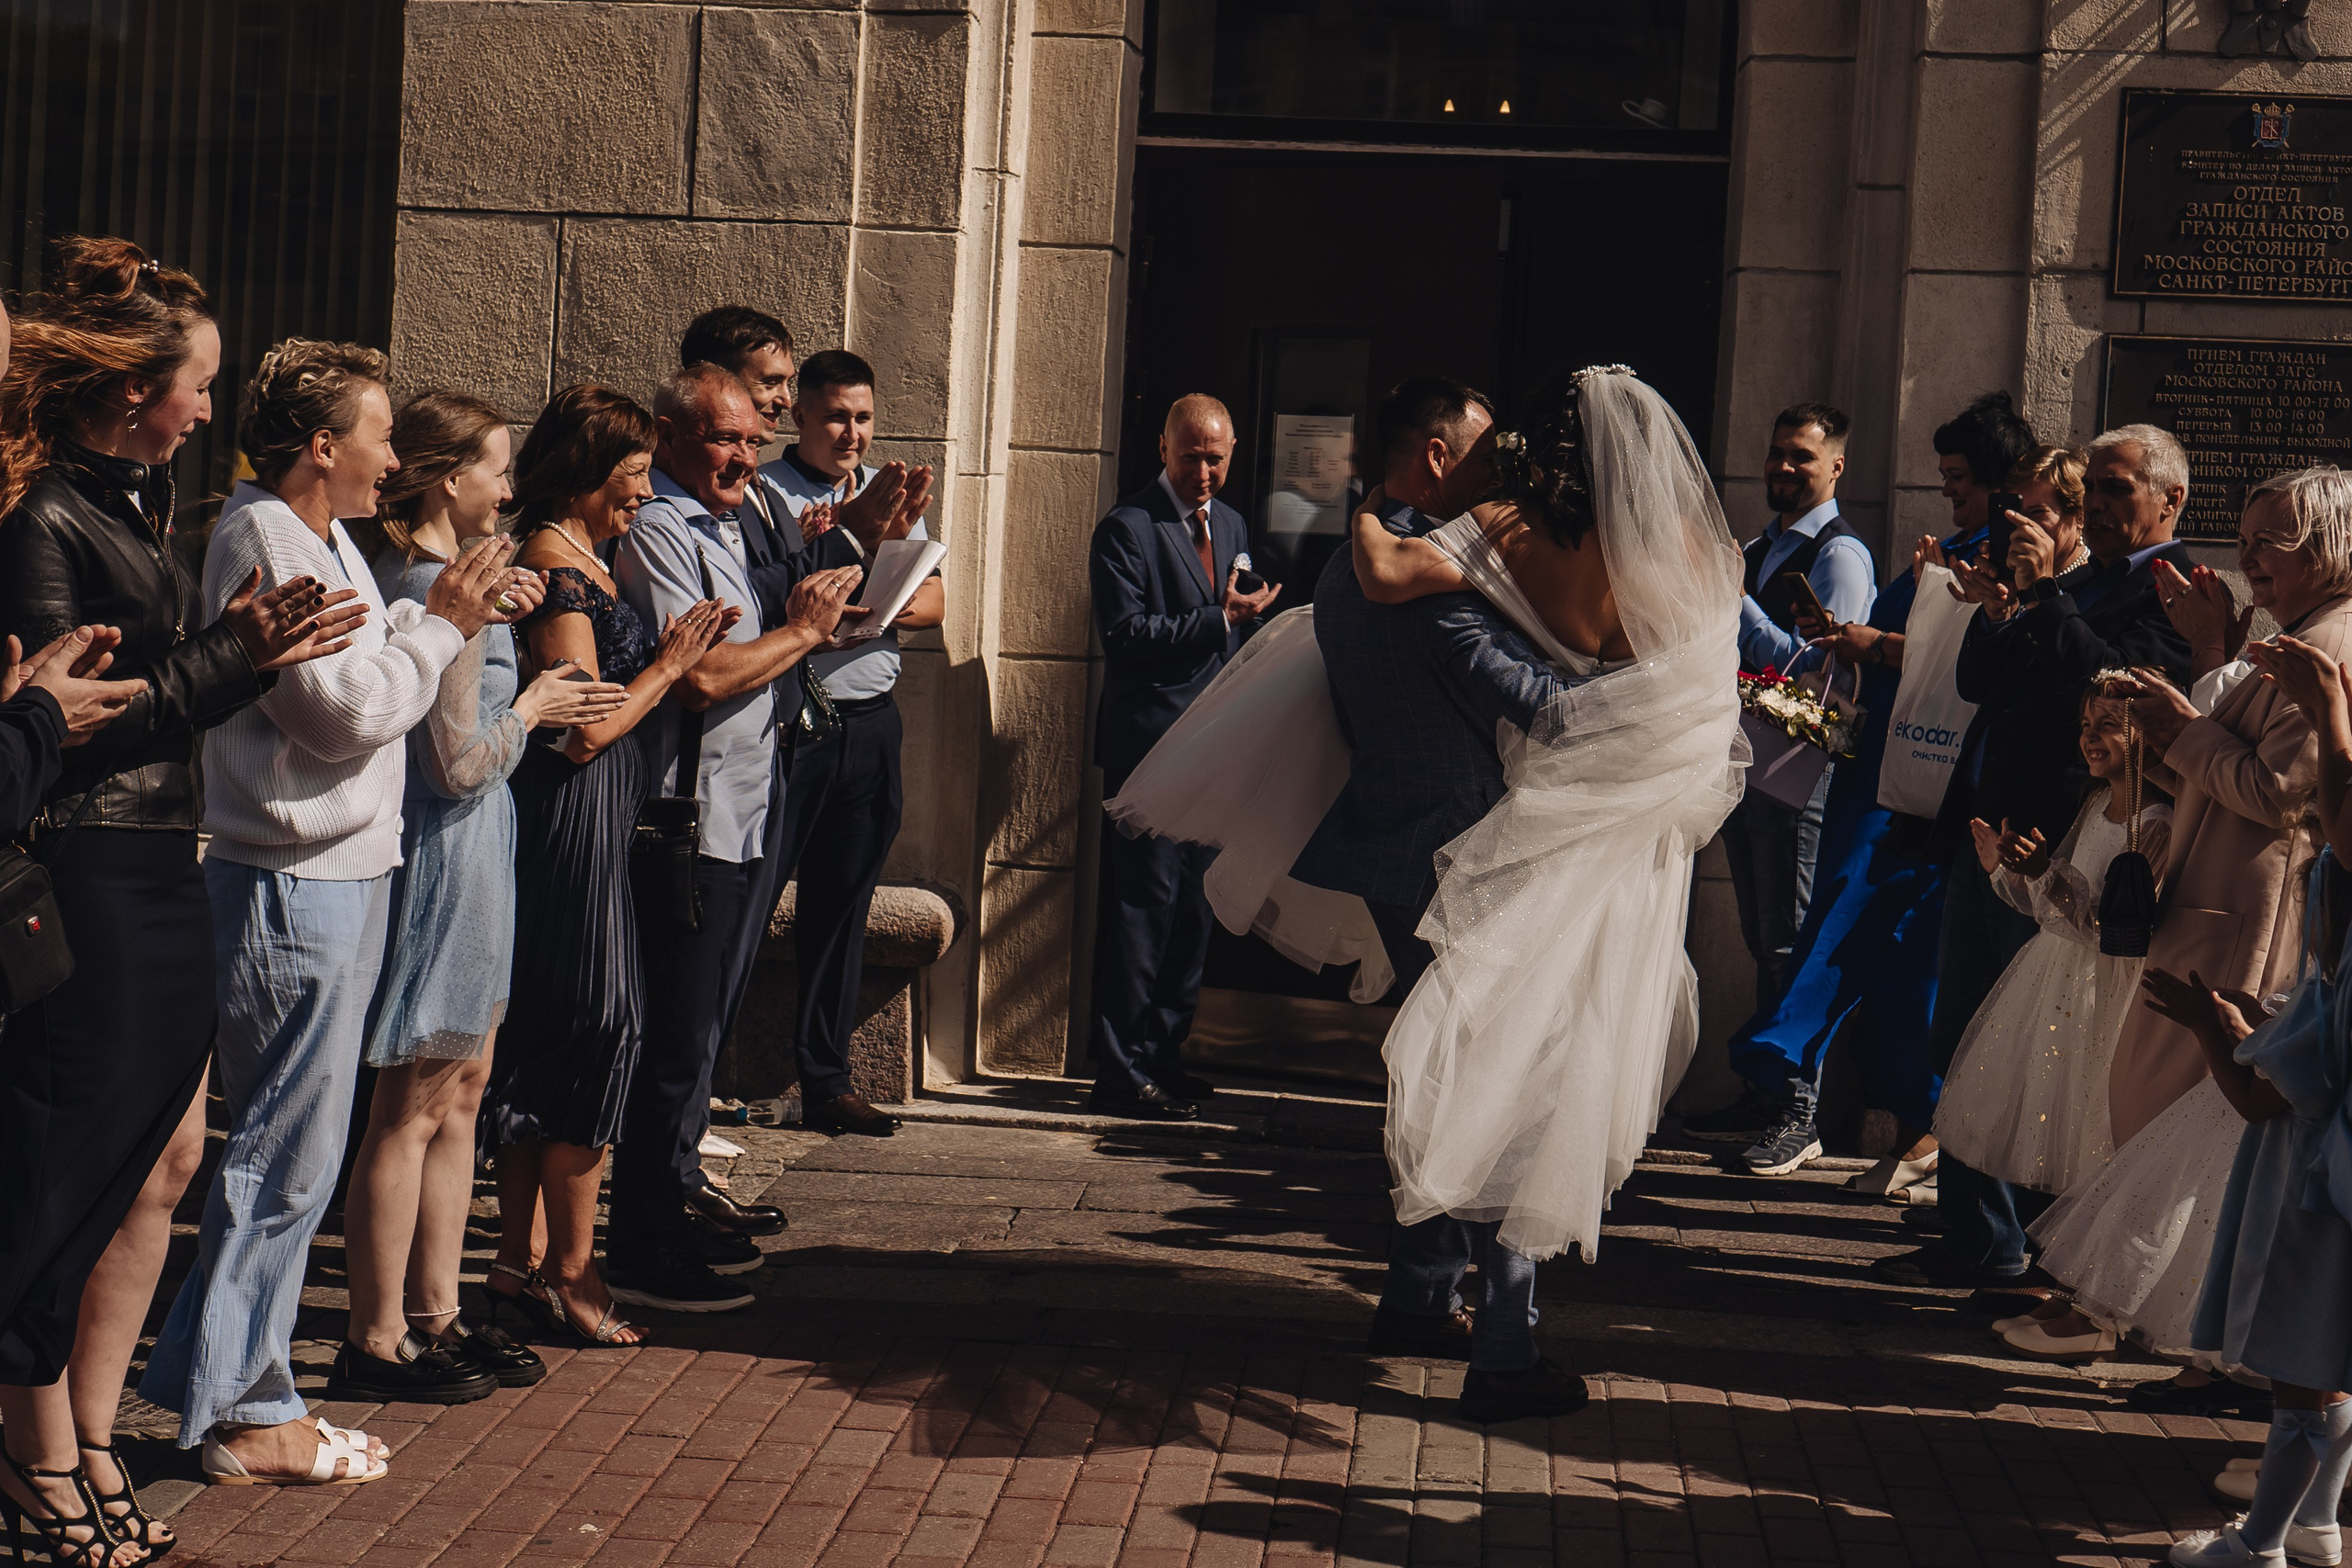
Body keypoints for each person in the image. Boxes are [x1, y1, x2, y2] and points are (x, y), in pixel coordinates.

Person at [1119, 367, 1743, 1422]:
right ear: (1440, 453)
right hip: (1486, 876)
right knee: (1517, 1100)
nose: (1508, 479)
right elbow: (1547, 714)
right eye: (1488, 453)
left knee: (1449, 1081)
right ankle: (1503, 1350)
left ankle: (1416, 1298)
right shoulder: (1444, 602)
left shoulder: (1361, 566)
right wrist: (1652, 693)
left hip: (1402, 865)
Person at [0, 246, 356, 1551]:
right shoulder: (43, 517)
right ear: (135, 386)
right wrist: (233, 657)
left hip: (160, 856)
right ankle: (40, 1458)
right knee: (65, 1172)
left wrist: (235, 657)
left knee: (162, 1162)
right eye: (197, 386)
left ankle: (84, 1436)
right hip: (90, 863)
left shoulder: (137, 501)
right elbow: (67, 720)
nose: (211, 414)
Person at [139, 339, 537, 1484]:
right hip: (289, 879)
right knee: (279, 1154)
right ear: (324, 446)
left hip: (340, 872)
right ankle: (240, 1411)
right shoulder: (260, 537)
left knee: (296, 1154)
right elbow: (343, 716)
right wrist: (443, 626)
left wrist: (431, 629)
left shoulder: (318, 538)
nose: (390, 456)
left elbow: (368, 692)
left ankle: (237, 1389)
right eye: (376, 434)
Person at [2023, 463, 2352, 1383]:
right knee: (2161, 1132)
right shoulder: (2298, 635)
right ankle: (2187, 1333)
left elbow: (2282, 793)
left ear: (2324, 547)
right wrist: (2157, 739)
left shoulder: (2332, 643)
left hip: (2245, 924)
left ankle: (2208, 1347)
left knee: (2192, 1139)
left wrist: (2181, 728)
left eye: (2266, 542)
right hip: (2209, 907)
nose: (2246, 558)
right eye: (2242, 537)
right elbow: (2230, 784)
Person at [333, 391, 629, 1406]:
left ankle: (439, 1312)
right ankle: (377, 1334)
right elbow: (456, 762)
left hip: (481, 850)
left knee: (462, 1091)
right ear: (448, 478)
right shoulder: (430, 587)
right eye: (497, 471)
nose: (510, 488)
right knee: (413, 1101)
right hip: (449, 850)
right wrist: (539, 704)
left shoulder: (452, 578)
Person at [1874, 416, 2198, 1292]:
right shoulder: (2078, 582)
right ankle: (1973, 1235)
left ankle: (2031, 1248)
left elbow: (2107, 687)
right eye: (2087, 492)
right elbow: (1984, 681)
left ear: (2171, 500)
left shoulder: (2170, 596)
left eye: (2113, 491)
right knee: (1967, 1039)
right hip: (1990, 837)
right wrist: (2001, 603)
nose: (2093, 508)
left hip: (2066, 848)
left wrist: (2048, 594)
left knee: (2038, 1055)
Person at [605, 364, 864, 1313]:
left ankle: (671, 1201)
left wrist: (810, 627)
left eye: (755, 440)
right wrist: (800, 635)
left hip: (745, 811)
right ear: (670, 438)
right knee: (673, 1037)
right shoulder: (665, 529)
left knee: (701, 1030)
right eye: (725, 439)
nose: (744, 458)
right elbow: (706, 677)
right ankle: (640, 1237)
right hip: (688, 818)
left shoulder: (725, 522)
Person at [481, 385, 731, 1348]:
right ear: (587, 473)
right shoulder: (557, 564)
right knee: (599, 1025)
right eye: (631, 477)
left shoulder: (584, 552)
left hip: (590, 820)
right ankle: (572, 1270)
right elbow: (581, 734)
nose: (641, 494)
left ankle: (518, 1265)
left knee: (550, 1032)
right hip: (572, 818)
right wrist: (666, 668)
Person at [760, 350, 950, 1135]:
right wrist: (844, 559)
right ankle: (696, 1082)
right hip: (794, 723)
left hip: (870, 722)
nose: (852, 432)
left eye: (864, 417)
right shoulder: (768, 493)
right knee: (751, 899)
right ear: (801, 415)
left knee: (844, 906)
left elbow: (934, 597)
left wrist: (871, 597)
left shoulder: (882, 494)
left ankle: (826, 1078)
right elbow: (776, 599)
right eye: (837, 416)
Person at [1085, 391, 1278, 1120]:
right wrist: (1217, 619)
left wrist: (1243, 627)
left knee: (1194, 910)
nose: (1204, 470)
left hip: (1214, 747)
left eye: (1216, 457)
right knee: (1145, 906)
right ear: (1163, 450)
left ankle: (1166, 1053)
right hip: (1150, 748)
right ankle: (1121, 1067)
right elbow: (1127, 634)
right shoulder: (1127, 527)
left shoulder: (1228, 523)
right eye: (1192, 455)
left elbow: (1225, 627)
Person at [1932, 681, 2171, 1227]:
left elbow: (2112, 930)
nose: (2091, 737)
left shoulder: (2157, 822)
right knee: (2045, 1118)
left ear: (2151, 735)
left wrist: (2045, 873)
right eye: (2087, 725)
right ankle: (2030, 1257)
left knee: (2089, 1129)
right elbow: (2053, 906)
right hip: (2054, 981)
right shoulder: (2093, 803)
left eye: (2110, 725)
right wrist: (2008, 868)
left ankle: (2061, 1271)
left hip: (2102, 993)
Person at [1713, 403, 1872, 1061]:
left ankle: (1798, 1101)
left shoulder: (1840, 553)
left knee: (1792, 940)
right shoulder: (1757, 548)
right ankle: (1761, 1086)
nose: (1782, 465)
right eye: (1777, 451)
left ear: (1835, 466)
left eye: (1801, 455)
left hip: (1798, 774)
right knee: (1762, 934)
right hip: (1746, 764)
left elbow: (1822, 671)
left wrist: (1737, 599)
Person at [680, 304, 797, 447]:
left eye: (788, 383)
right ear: (709, 381)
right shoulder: (651, 468)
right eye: (770, 383)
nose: (787, 402)